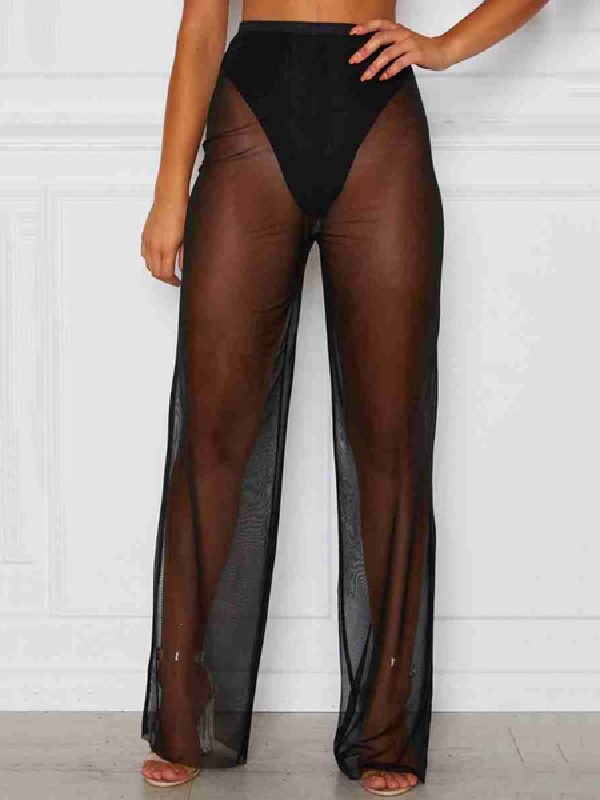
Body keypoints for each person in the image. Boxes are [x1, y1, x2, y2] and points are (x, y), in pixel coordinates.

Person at [139, 0, 550, 795]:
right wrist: (168, 191)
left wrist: (445, 47)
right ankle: (184, 716)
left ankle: (384, 730)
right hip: (251, 122)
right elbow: (201, 26)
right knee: (214, 435)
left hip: (380, 130)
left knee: (389, 439)